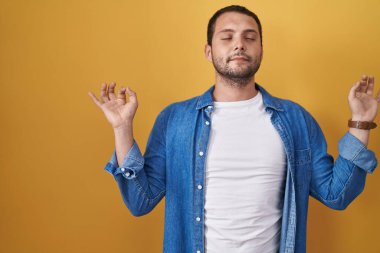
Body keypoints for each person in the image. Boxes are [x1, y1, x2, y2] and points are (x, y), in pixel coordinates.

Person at [88, 5, 379, 253]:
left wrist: (361, 123)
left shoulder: (296, 120)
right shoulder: (174, 120)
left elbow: (336, 195)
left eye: (249, 37)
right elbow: (141, 201)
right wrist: (122, 128)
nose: (239, 44)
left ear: (261, 50)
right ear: (208, 50)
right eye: (227, 37)